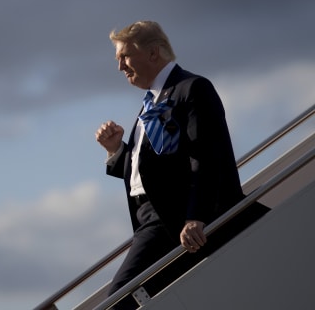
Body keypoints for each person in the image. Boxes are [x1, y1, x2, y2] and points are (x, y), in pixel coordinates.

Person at [95, 20, 269, 309]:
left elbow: (206, 156)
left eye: (124, 56)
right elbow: (157, 170)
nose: (120, 66)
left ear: (153, 53)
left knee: (119, 301)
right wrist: (116, 152)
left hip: (173, 221)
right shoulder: (150, 102)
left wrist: (196, 217)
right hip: (150, 219)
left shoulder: (191, 89)